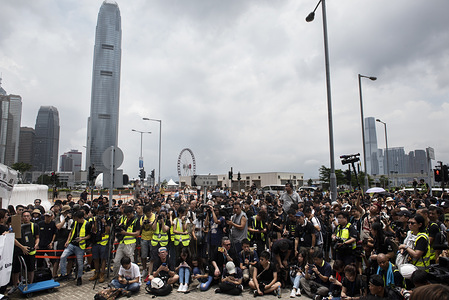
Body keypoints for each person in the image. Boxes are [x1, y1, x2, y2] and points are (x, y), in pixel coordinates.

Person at [9, 211, 40, 295]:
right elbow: (13, 238)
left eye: (27, 216)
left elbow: (37, 237)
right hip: (18, 250)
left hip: (30, 250)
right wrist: (22, 247)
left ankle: (30, 285)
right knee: (16, 269)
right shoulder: (17, 226)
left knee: (30, 269)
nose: (26, 218)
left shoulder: (34, 226)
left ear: (30, 217)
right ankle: (15, 285)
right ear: (22, 217)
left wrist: (36, 245)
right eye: (24, 216)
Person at [58, 210, 92, 286]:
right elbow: (71, 232)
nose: (75, 220)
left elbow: (89, 235)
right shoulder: (75, 222)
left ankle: (79, 277)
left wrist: (82, 239)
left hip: (80, 246)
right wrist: (67, 241)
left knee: (80, 264)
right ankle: (63, 274)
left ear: (81, 218)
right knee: (63, 257)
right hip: (71, 244)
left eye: (77, 218)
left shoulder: (87, 224)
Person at [113, 206, 141, 278]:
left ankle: (133, 277)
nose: (127, 216)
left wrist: (126, 233)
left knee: (130, 262)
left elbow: (137, 233)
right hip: (122, 242)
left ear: (132, 213)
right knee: (116, 261)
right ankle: (116, 277)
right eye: (126, 214)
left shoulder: (136, 220)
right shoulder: (124, 219)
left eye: (129, 214)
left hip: (130, 243)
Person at [89, 205, 111, 283]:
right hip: (95, 241)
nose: (101, 215)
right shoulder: (93, 219)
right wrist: (95, 222)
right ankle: (96, 272)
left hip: (104, 242)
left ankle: (102, 273)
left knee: (103, 258)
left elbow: (108, 231)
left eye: (102, 214)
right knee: (95, 258)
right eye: (99, 213)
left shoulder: (108, 219)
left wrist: (104, 223)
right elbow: (93, 230)